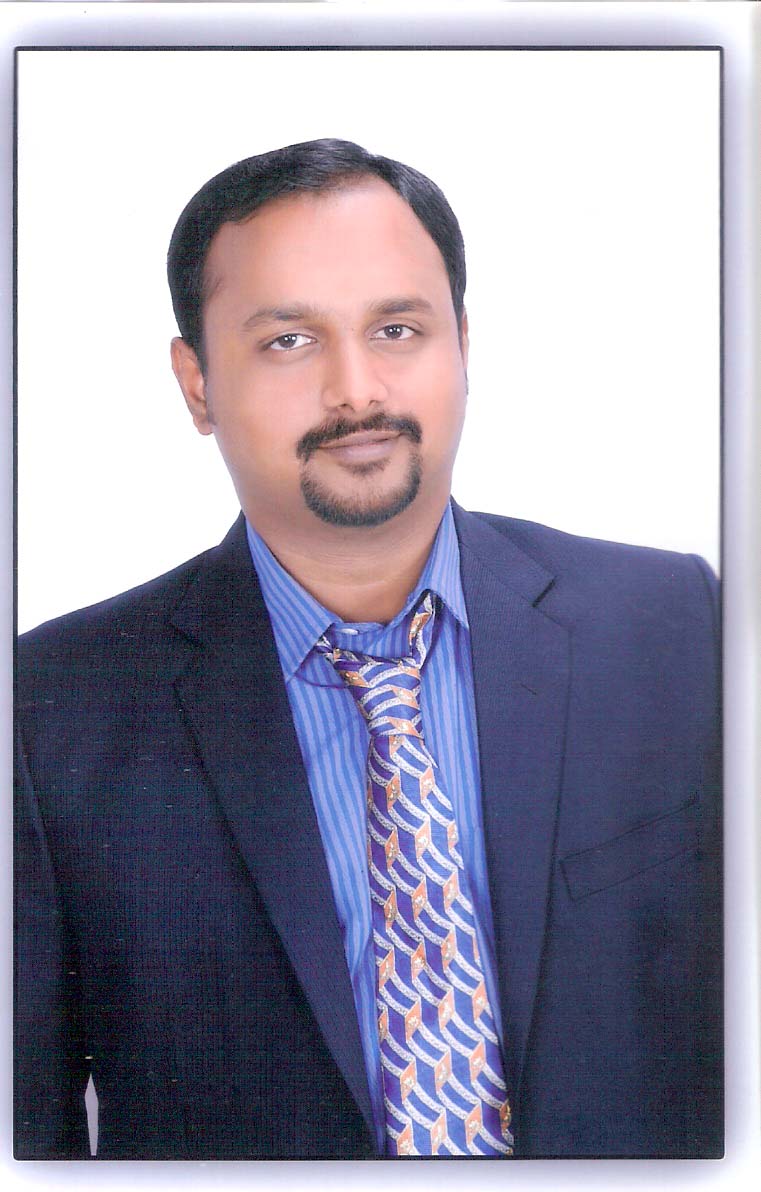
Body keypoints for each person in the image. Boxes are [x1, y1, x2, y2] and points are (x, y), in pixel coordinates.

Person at [15, 138, 721, 1160]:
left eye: (396, 329)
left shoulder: (676, 631)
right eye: (288, 340)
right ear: (197, 382)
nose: (356, 391)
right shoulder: (49, 712)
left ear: (461, 345)